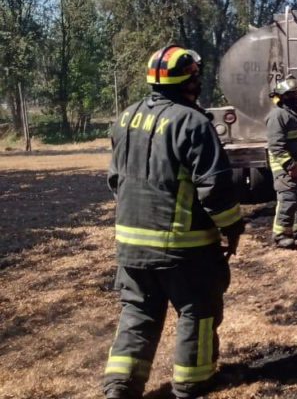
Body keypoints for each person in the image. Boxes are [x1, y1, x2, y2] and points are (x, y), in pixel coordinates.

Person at [104, 45, 244, 399]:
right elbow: (214, 188)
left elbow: (114, 181)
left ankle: (121, 385)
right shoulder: (193, 122)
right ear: (190, 80)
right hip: (184, 246)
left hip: (131, 245)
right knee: (197, 309)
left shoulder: (125, 119)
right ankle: (193, 382)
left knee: (138, 312)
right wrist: (232, 228)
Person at [265, 75, 297, 249]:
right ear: (282, 96)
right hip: (285, 168)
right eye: (291, 94)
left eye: (296, 93)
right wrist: (289, 165)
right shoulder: (277, 116)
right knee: (288, 199)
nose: (295, 97)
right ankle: (280, 235)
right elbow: (276, 145)